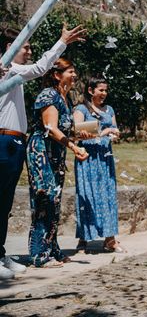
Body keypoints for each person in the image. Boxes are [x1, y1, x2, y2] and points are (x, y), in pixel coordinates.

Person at [0, 24, 85, 279]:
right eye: (26, 47)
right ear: (9, 48)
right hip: (3, 139)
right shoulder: (6, 68)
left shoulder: (12, 71)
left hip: (15, 142)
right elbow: (41, 68)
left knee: (4, 204)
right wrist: (62, 41)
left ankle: (1, 252)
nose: (29, 51)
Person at [26, 58, 89, 267]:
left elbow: (65, 131)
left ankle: (52, 249)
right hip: (41, 152)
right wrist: (74, 147)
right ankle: (39, 254)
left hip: (56, 154)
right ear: (56, 74)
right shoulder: (48, 95)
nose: (74, 75)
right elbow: (50, 128)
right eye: (70, 71)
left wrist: (81, 137)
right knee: (44, 199)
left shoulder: (65, 99)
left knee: (55, 201)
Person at [73, 77, 123, 253]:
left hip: (105, 158)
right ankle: (83, 240)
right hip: (87, 157)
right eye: (100, 90)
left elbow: (114, 128)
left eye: (105, 90)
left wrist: (114, 133)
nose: (104, 94)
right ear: (90, 90)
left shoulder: (109, 109)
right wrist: (104, 132)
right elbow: (75, 133)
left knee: (108, 196)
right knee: (87, 196)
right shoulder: (81, 109)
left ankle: (110, 239)